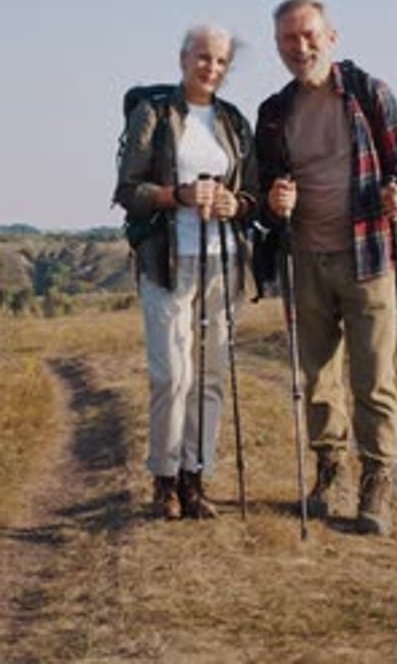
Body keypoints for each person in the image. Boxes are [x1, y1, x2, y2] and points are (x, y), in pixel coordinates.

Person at [255, 0, 397, 535]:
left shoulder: (370, 93)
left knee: (373, 379)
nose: (298, 47)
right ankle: (332, 472)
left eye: (308, 35)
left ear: (331, 37)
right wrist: (273, 201)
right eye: (287, 39)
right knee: (317, 377)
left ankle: (378, 480)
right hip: (305, 257)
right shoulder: (274, 112)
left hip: (370, 254)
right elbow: (263, 194)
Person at [114, 26, 256, 520]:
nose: (210, 68)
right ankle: (164, 478)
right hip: (166, 262)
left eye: (220, 61)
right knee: (171, 376)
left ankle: (197, 478)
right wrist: (179, 196)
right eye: (202, 58)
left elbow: (251, 198)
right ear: (183, 59)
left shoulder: (234, 122)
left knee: (211, 375)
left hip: (222, 262)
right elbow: (128, 190)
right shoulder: (153, 114)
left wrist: (232, 203)